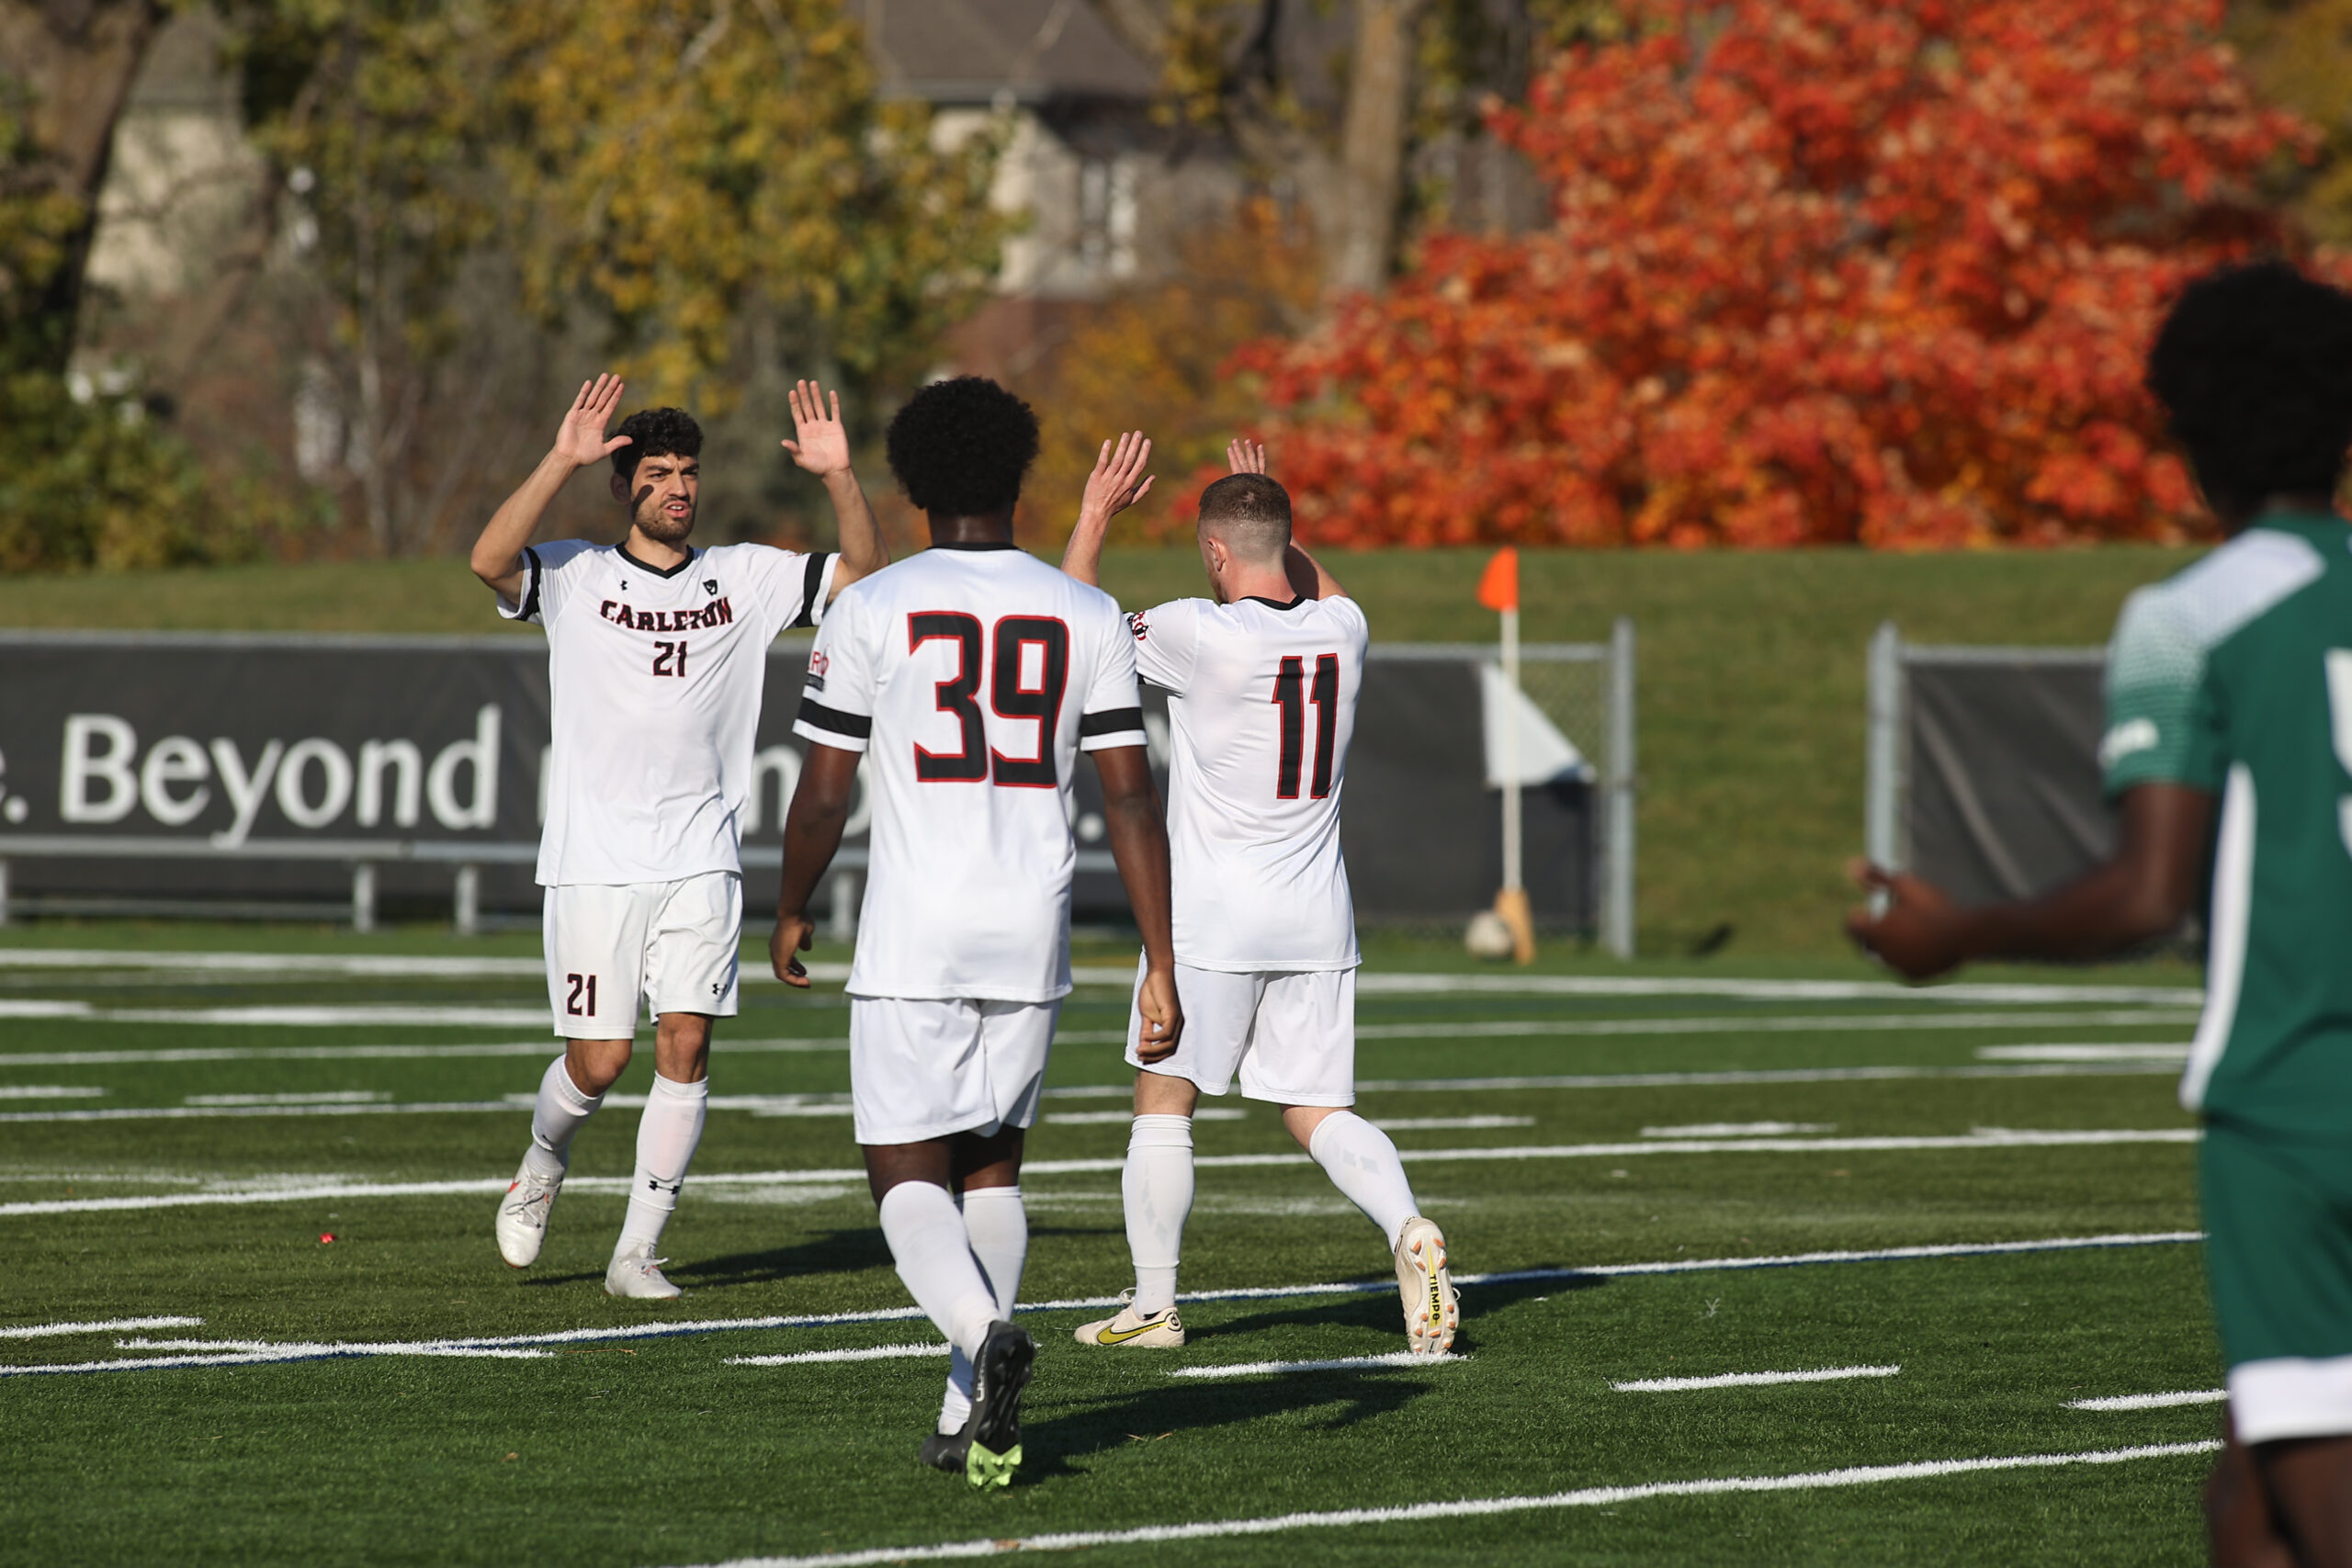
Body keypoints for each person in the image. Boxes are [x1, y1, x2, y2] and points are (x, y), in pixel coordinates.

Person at [1847, 261, 2352, 1567]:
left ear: (2183, 438)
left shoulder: (2193, 616)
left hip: (2297, 1103)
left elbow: (2143, 893)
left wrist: (1950, 935)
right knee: (2244, 1502)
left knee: (2315, 1491)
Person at [767, 376, 1182, 1488]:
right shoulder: (1086, 612)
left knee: (905, 1172)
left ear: (907, 484)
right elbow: (1133, 799)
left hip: (917, 929)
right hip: (1030, 925)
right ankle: (965, 1413)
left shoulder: (869, 606)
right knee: (991, 1170)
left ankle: (982, 1339)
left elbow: (820, 796)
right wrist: (1161, 957)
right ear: (1019, 477)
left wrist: (792, 902)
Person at [472, 373, 888, 1299]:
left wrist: (841, 477)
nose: (678, 488)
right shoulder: (576, 574)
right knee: (600, 1061)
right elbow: (488, 561)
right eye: (657, 473)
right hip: (593, 861)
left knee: (687, 1047)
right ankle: (542, 1162)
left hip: (702, 854)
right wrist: (559, 460)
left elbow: (860, 575)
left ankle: (635, 1255)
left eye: (687, 472)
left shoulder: (743, 575)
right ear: (626, 489)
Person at [1057, 434, 1457, 1357]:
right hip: (1318, 915)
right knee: (1318, 1109)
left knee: (1165, 1100)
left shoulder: (1201, 631)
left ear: (1211, 553)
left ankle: (1154, 1305)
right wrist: (1273, 507)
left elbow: (1074, 626)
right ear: (1287, 541)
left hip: (1215, 917)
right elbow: (1320, 584)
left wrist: (1092, 516)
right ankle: (1406, 1226)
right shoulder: (1341, 630)